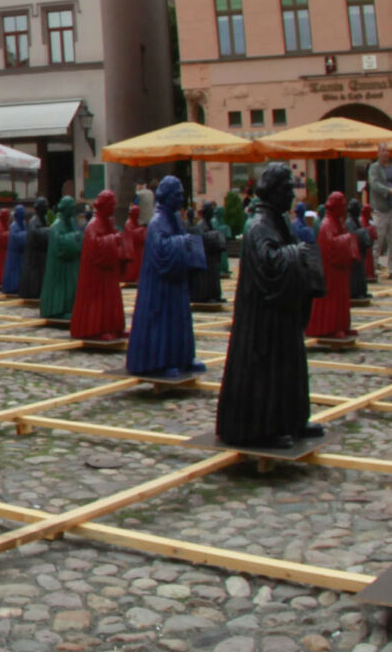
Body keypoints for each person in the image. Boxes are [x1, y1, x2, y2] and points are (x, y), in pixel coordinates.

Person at [213, 164, 324, 450]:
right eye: (287, 189)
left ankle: (294, 419)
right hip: (263, 318)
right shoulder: (259, 225)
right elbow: (269, 267)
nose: (292, 195)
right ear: (274, 191)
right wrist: (297, 254)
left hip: (281, 311)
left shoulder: (278, 220)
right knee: (268, 371)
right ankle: (266, 427)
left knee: (290, 366)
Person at [124, 177, 206, 381]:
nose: (181, 199)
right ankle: (160, 361)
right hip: (160, 286)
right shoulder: (158, 221)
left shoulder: (174, 218)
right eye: (178, 195)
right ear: (167, 197)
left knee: (179, 319)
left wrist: (187, 242)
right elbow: (161, 252)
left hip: (175, 283)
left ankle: (183, 357)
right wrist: (183, 242)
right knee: (163, 322)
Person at [70, 192, 129, 343]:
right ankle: (98, 329)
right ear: (105, 206)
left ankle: (115, 327)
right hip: (96, 275)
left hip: (107, 271)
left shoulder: (107, 222)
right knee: (100, 301)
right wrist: (113, 239)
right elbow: (95, 247)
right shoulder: (93, 225)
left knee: (111, 299)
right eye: (112, 205)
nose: (114, 208)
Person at [303, 190, 360, 341]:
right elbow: (331, 247)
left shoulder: (338, 222)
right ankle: (331, 327)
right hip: (331, 272)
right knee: (332, 300)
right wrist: (348, 239)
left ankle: (342, 325)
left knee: (342, 298)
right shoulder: (326, 225)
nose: (344, 209)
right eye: (342, 205)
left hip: (339, 271)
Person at [39, 196, 83, 322]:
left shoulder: (71, 222)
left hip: (69, 264)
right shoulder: (56, 225)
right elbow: (59, 244)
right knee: (60, 289)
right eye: (71, 208)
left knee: (71, 287)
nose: (73, 211)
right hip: (59, 267)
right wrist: (75, 237)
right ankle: (57, 310)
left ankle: (69, 308)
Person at [367, 155, 392, 280]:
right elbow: (374, 184)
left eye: (386, 151)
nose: (385, 154)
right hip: (381, 209)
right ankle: (373, 268)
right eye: (383, 151)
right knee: (378, 241)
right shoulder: (374, 168)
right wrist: (387, 191)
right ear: (378, 153)